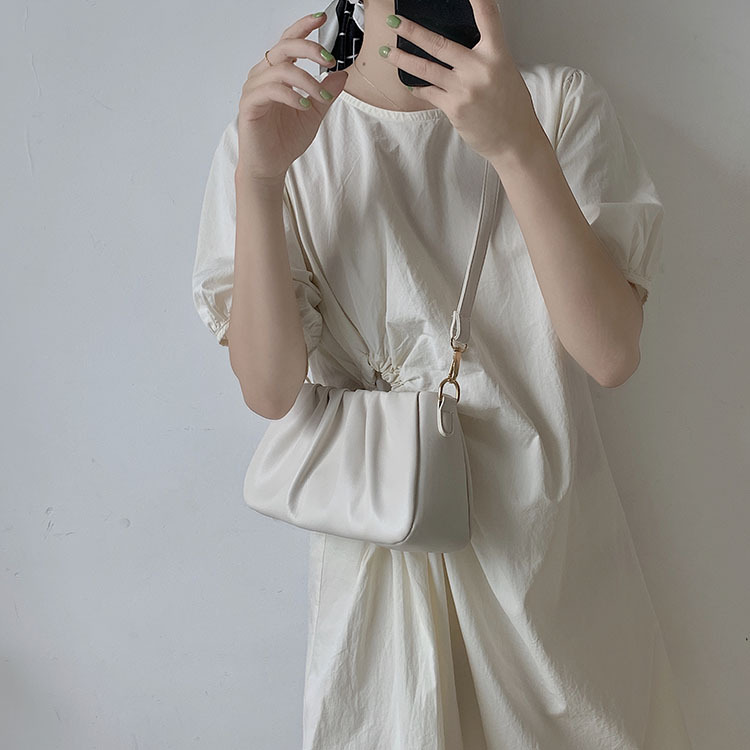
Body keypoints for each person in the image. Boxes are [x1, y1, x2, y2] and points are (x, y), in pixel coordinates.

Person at [192, 1, 693, 747]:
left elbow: (611, 353)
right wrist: (261, 180)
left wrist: (517, 145)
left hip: (547, 583)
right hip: (383, 592)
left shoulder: (557, 105)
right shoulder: (278, 133)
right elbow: (269, 391)